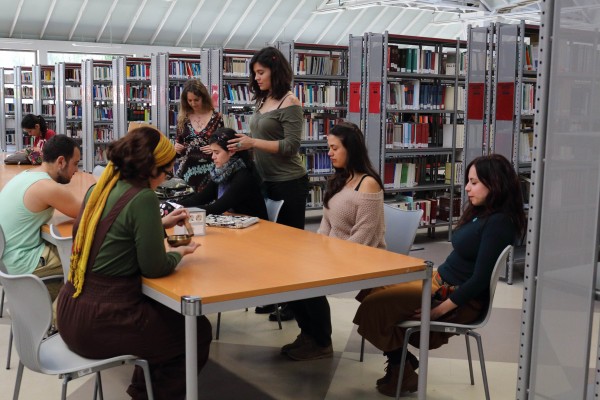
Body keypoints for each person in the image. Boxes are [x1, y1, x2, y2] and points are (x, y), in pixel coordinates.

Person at [56, 126, 212, 400]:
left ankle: (144, 390)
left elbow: (114, 229)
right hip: (101, 321)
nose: (165, 178)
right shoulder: (143, 198)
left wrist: (158, 224)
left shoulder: (99, 189)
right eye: (165, 171)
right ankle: (150, 395)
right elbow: (155, 267)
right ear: (150, 168)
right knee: (196, 331)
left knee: (162, 321)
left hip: (70, 310)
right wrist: (181, 252)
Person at [353, 153, 526, 397]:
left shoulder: (499, 224)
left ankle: (401, 366)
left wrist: (437, 310)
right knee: (372, 287)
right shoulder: (484, 212)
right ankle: (403, 364)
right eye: (468, 180)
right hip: (440, 281)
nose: (467, 187)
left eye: (474, 182)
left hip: (454, 298)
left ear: (496, 184)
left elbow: (478, 281)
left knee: (374, 305)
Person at [282, 122, 386, 361]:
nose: (329, 153)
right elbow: (326, 224)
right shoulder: (340, 179)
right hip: (335, 253)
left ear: (351, 149)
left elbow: (365, 236)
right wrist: (316, 248)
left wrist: (327, 257)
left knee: (307, 278)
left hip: (362, 256)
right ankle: (309, 333)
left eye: (334, 148)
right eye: (328, 147)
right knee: (288, 269)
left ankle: (320, 341)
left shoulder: (368, 184)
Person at [227, 46, 309, 320]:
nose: (257, 78)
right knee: (270, 248)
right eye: (255, 73)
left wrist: (253, 142)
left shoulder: (290, 103)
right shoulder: (262, 102)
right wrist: (243, 142)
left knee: (289, 249)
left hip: (288, 182)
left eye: (261, 72)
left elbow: (291, 146)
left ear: (276, 71)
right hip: (265, 181)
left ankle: (293, 305)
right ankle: (275, 297)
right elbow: (260, 137)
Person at [0, 134, 81, 300]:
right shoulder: (47, 187)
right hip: (21, 261)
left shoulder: (27, 175)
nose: (77, 170)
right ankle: (61, 315)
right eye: (75, 164)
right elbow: (87, 211)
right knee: (82, 260)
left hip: (5, 259)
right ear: (61, 162)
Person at [178, 127, 268, 219]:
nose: (213, 157)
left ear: (231, 151)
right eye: (212, 152)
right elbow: (200, 198)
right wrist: (173, 205)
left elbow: (216, 208)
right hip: (238, 224)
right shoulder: (220, 173)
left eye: (216, 153)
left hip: (256, 227)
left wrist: (180, 211)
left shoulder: (244, 176)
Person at [175, 79, 224, 191]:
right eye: (189, 100)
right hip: (186, 172)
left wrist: (214, 148)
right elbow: (178, 145)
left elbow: (223, 144)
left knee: (208, 204)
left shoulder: (216, 118)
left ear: (203, 97)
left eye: (196, 100)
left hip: (210, 171)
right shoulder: (183, 118)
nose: (193, 103)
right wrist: (176, 148)